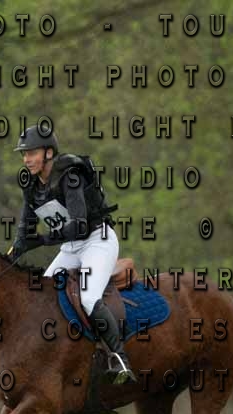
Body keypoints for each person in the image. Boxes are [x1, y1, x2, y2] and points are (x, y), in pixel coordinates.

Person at [9, 125, 137, 384]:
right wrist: (9, 257)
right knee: (40, 296)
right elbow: (25, 229)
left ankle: (119, 359)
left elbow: (79, 226)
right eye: (23, 154)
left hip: (97, 240)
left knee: (88, 298)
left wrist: (42, 240)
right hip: (71, 248)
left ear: (48, 153)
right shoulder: (32, 184)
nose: (26, 159)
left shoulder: (70, 176)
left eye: (31, 153)